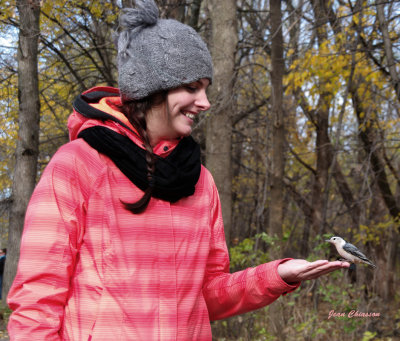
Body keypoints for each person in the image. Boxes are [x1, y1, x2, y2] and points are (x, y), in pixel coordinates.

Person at [7, 1, 349, 340]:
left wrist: (277, 275)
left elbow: (208, 296)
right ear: (152, 88)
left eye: (206, 89)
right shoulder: (77, 165)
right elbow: (37, 300)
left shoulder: (200, 182)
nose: (205, 102)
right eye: (191, 87)